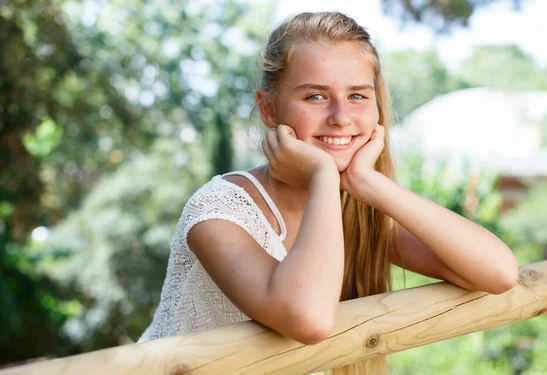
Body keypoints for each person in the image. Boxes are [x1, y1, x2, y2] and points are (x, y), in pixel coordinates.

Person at [138, 11, 519, 374]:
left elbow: (499, 272)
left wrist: (372, 184)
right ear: (269, 110)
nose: (340, 116)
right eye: (315, 97)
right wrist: (323, 175)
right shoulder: (219, 210)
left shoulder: (358, 207)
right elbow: (309, 318)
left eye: (357, 96)